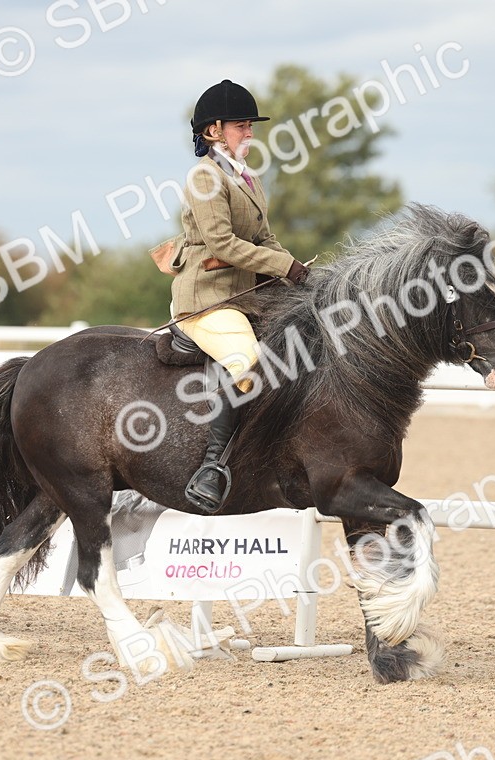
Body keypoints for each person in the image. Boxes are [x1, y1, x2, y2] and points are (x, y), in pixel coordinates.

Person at [169, 79, 309, 513]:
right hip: (207, 300)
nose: (249, 133)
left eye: (250, 126)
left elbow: (265, 238)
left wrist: (303, 276)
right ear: (213, 131)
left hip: (247, 296)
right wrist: (284, 268)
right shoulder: (204, 179)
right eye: (241, 126)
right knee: (250, 364)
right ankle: (212, 467)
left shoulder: (248, 178)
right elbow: (223, 244)